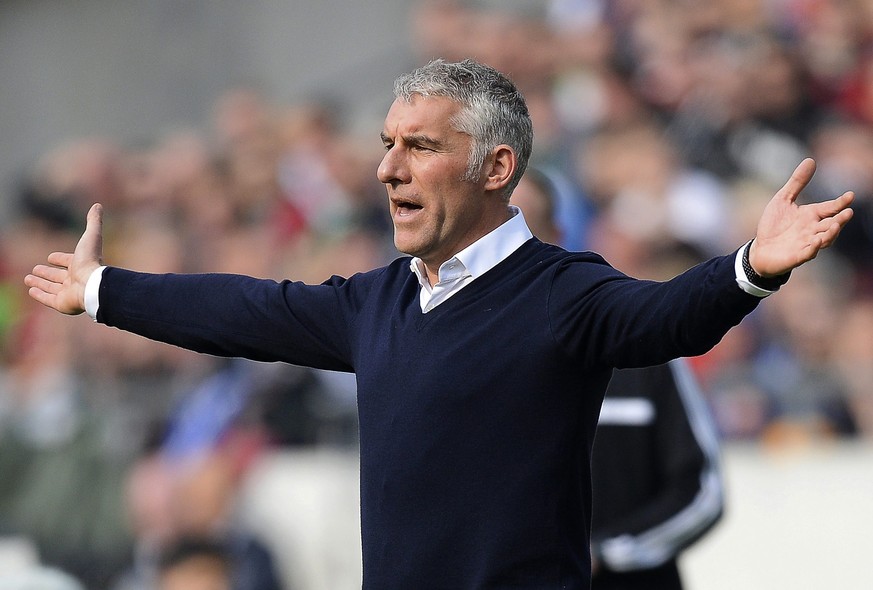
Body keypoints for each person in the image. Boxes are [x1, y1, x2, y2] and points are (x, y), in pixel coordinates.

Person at [25, 58, 853, 589]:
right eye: (387, 144)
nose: (386, 169)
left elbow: (670, 315)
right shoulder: (377, 300)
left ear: (496, 168)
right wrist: (104, 290)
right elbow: (246, 310)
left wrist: (752, 265)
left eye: (418, 147)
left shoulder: (562, 293)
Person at [512, 169, 724, 590]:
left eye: (523, 222)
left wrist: (609, 553)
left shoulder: (652, 356)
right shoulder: (461, 357)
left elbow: (701, 492)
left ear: (557, 232)